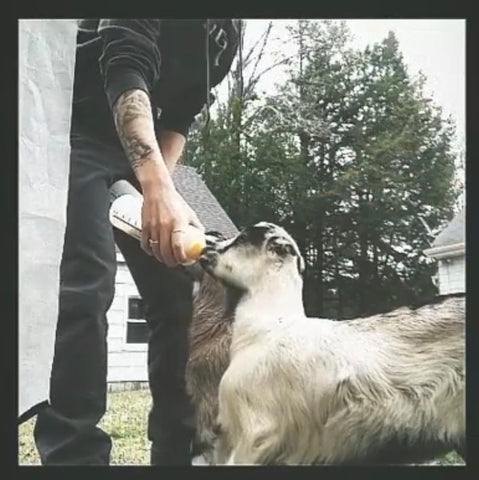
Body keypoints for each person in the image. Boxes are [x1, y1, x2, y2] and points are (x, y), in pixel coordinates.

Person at [33, 19, 239, 465]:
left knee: (189, 288)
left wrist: (157, 186)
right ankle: (75, 455)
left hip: (140, 155)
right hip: (73, 127)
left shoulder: (230, 33)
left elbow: (180, 116)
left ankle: (179, 452)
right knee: (84, 285)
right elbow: (125, 63)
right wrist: (155, 183)